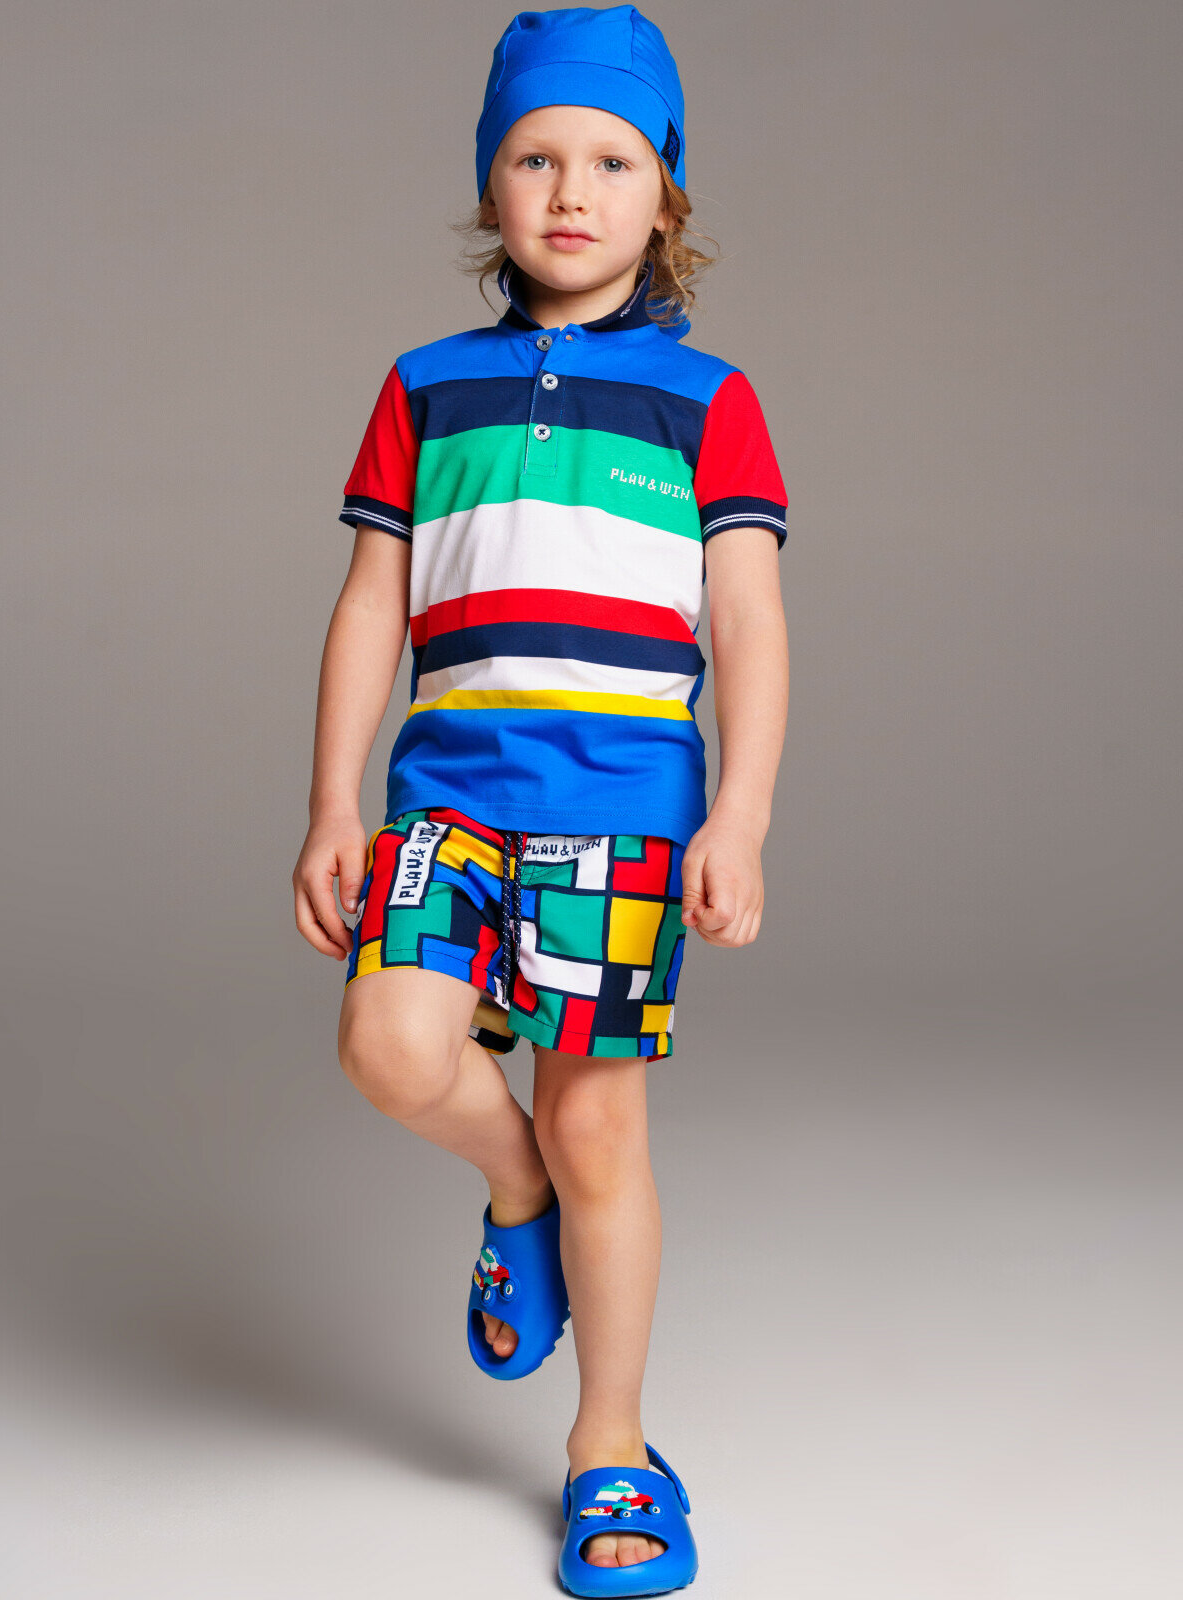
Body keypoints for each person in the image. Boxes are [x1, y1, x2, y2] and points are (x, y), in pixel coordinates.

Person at [292, 7, 789, 1593]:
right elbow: (369, 605)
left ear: (667, 195)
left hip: (624, 812)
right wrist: (333, 806)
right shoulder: (423, 388)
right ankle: (512, 1189)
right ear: (489, 185)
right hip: (448, 795)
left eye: (612, 161)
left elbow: (749, 622)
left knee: (596, 1122)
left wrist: (740, 816)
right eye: (534, 157)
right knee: (391, 1045)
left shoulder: (711, 401)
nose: (572, 191)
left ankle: (610, 1445)